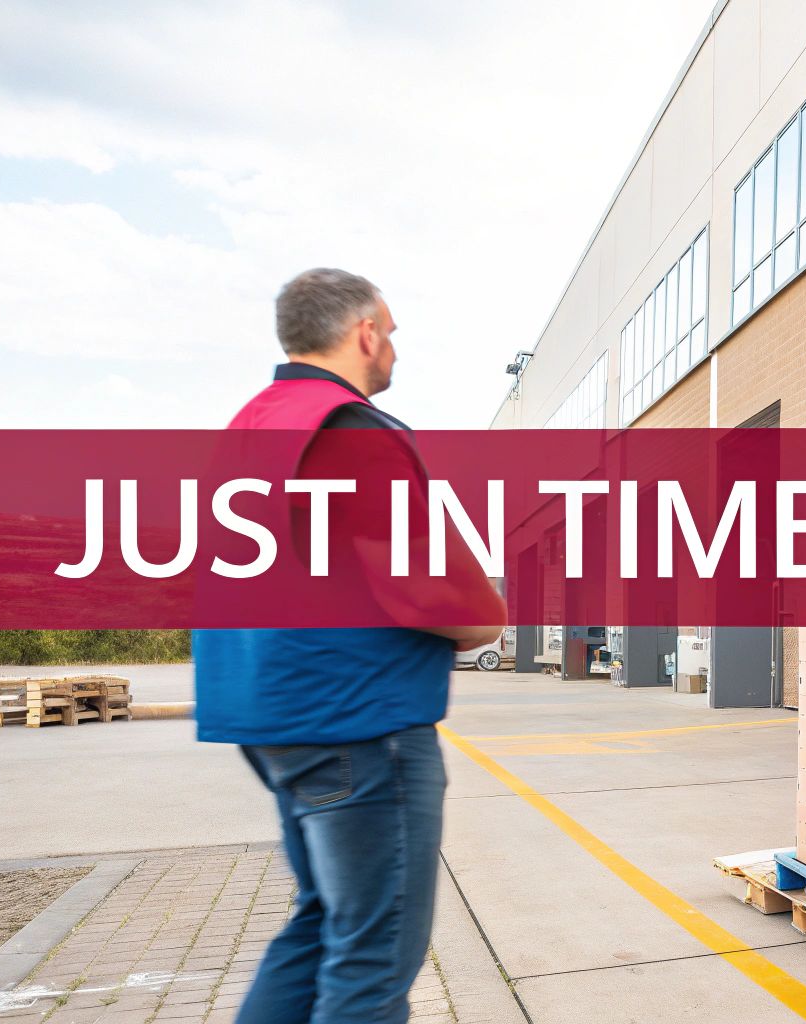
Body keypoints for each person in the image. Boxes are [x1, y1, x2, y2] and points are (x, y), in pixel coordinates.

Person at [193, 269, 504, 1024]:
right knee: (372, 958)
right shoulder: (347, 427)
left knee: (320, 921)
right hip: (359, 723)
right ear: (364, 332)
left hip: (271, 718)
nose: (393, 349)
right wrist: (487, 617)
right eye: (390, 333)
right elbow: (424, 583)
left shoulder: (248, 427)